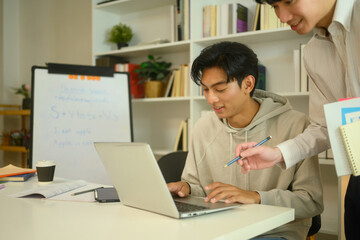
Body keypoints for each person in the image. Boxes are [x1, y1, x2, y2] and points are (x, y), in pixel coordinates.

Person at [167, 41, 323, 240]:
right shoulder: (203, 127)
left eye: (220, 89)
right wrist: (186, 188)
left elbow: (311, 202)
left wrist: (257, 197)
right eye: (205, 89)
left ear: (248, 84)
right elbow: (201, 190)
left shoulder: (296, 124)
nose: (211, 99)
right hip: (218, 229)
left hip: (274, 232)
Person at [234, 1, 359, 239]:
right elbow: (324, 126)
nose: (282, 16)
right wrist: (278, 153)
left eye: (289, 1)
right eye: (274, 6)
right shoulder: (313, 51)